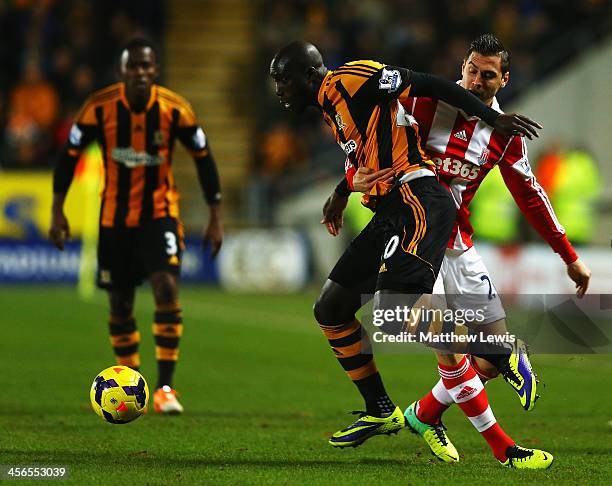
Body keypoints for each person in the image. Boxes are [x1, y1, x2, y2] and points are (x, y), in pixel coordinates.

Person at [271, 40, 551, 469]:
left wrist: (493, 117)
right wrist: (343, 189)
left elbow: (428, 82)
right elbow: (367, 156)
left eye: (282, 81)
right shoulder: (332, 108)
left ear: (308, 75)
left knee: (402, 313)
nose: (278, 92)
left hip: (418, 199)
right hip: (389, 210)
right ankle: (382, 410)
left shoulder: (352, 78)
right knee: (331, 308)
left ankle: (498, 354)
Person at [49, 38, 223, 415]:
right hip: (113, 220)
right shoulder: (99, 108)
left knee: (166, 286)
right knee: (120, 302)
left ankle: (164, 389)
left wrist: (215, 216)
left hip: (159, 214)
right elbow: (68, 157)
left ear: (154, 70)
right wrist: (57, 211)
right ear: (122, 71)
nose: (141, 73)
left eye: (147, 66)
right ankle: (129, 381)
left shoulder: (175, 109)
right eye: (134, 67)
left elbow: (204, 159)